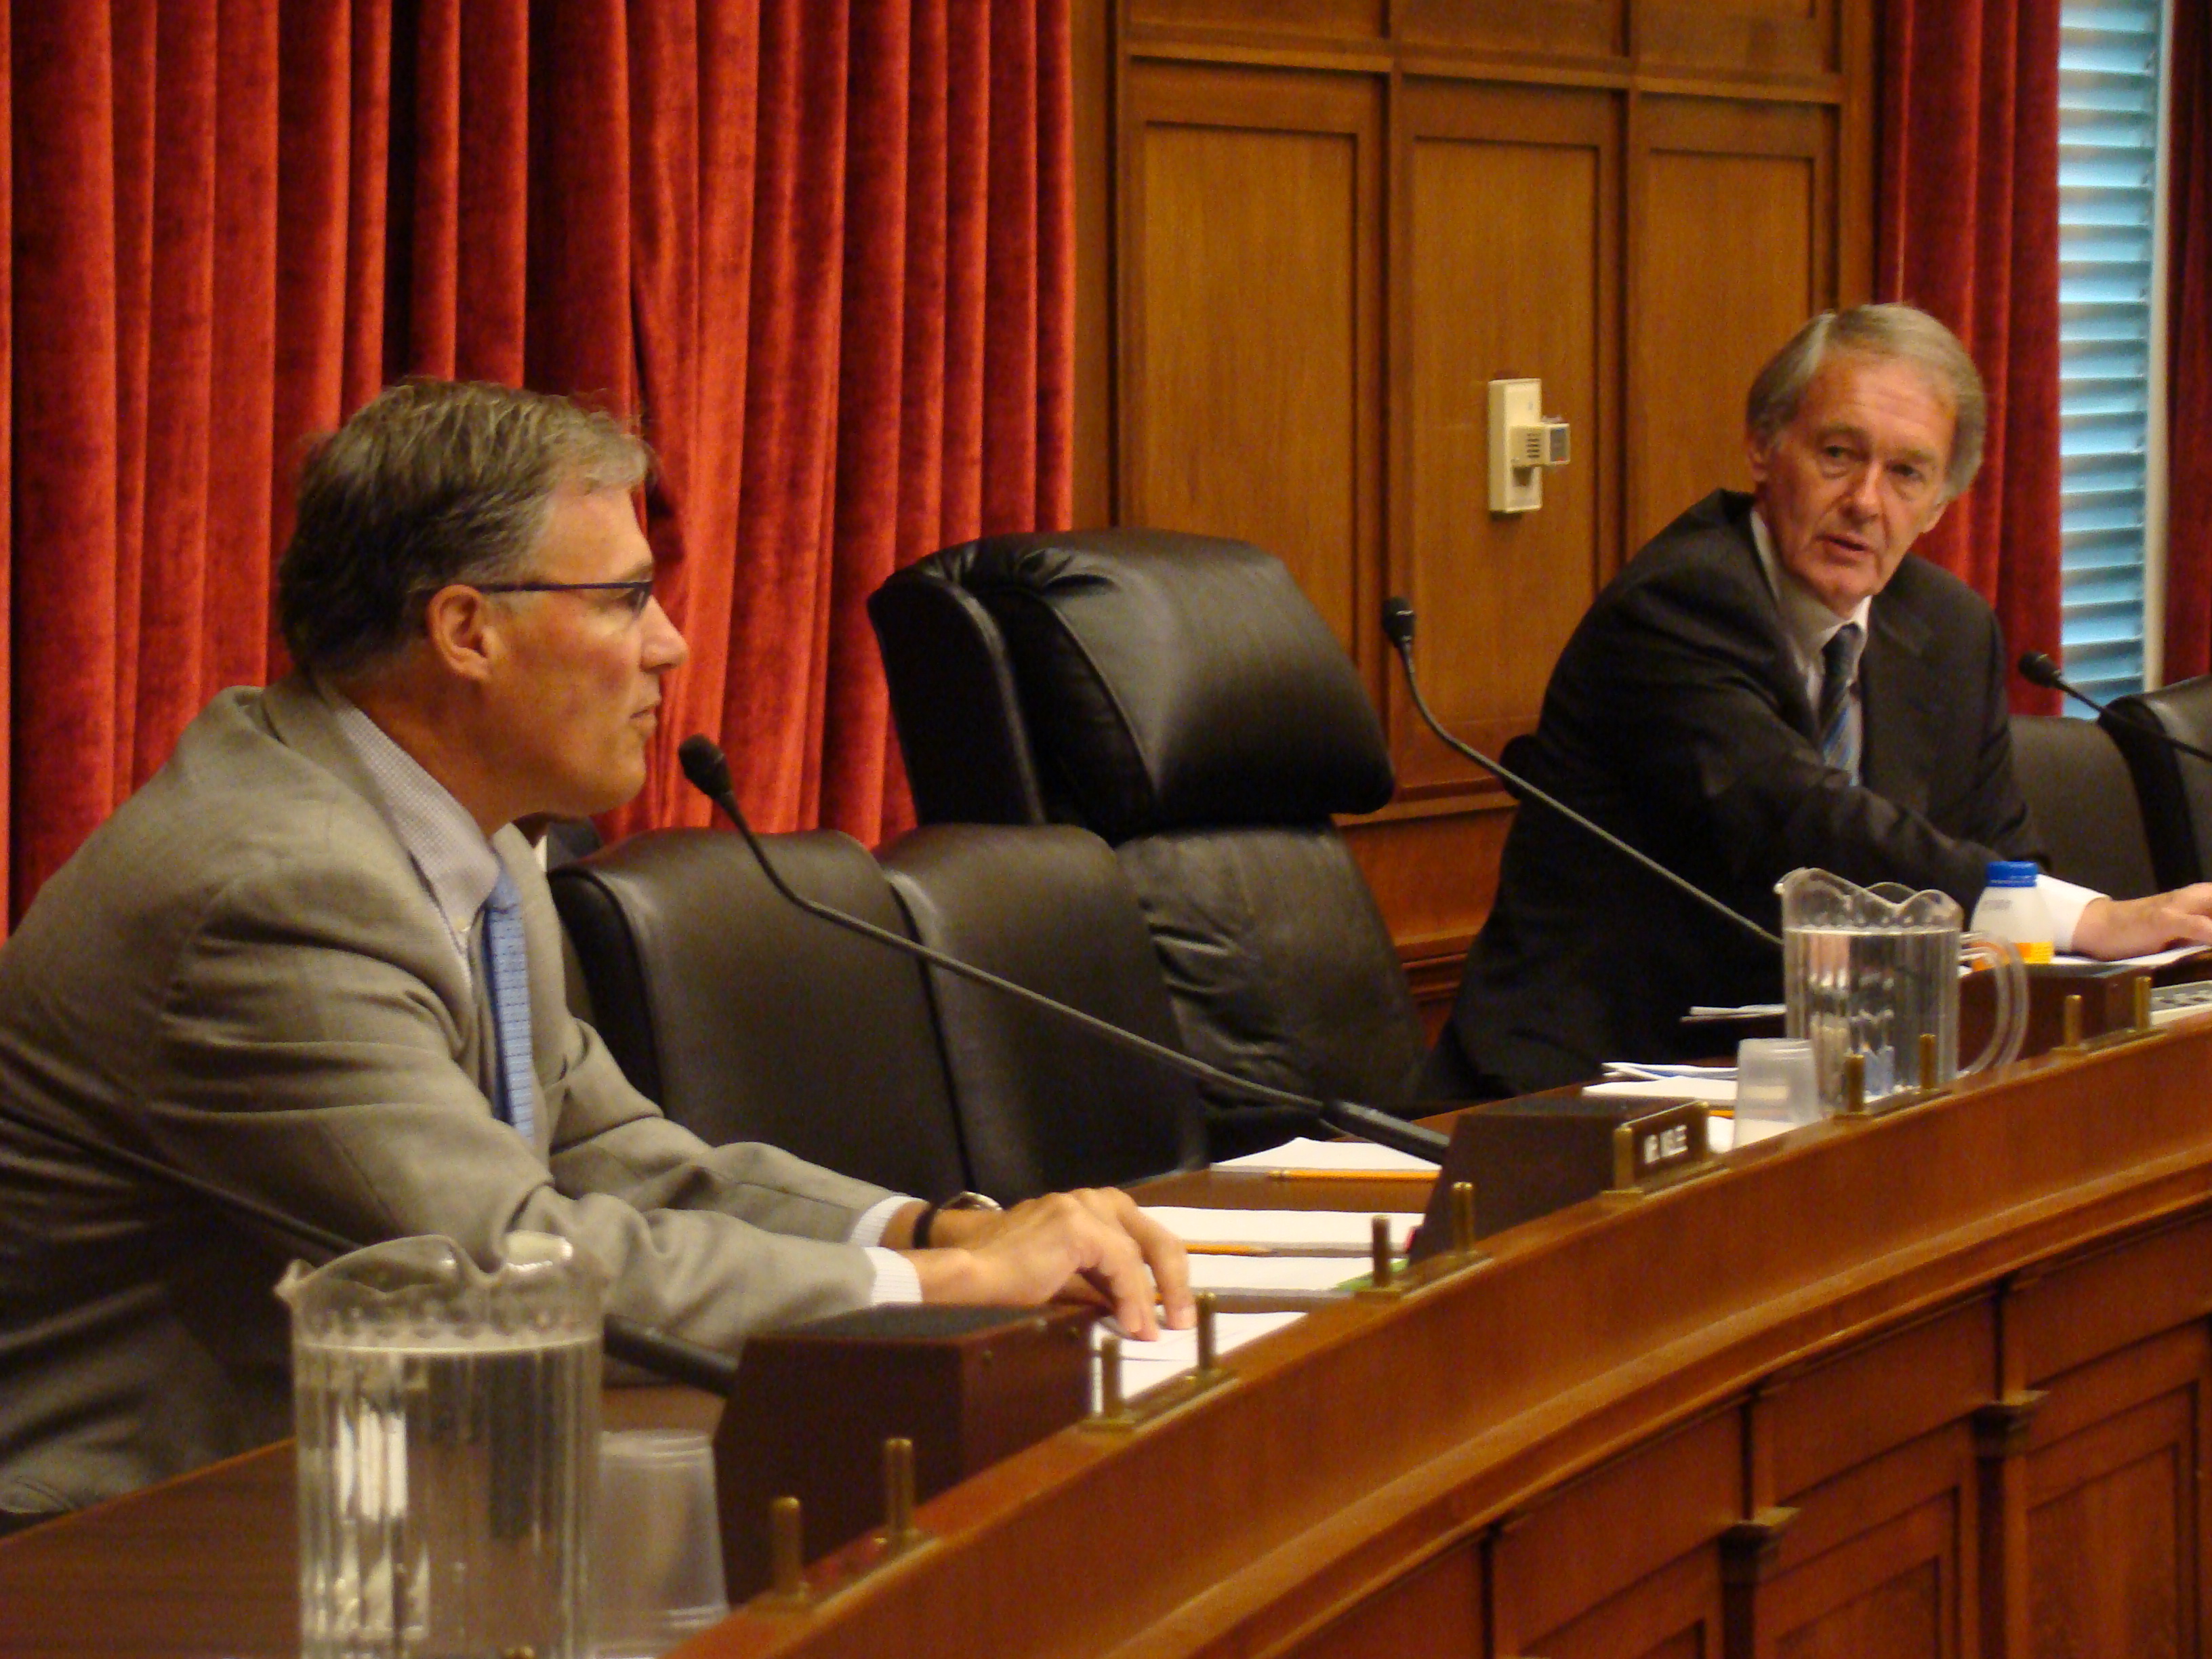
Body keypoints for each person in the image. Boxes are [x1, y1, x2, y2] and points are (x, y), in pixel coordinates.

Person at [0, 381, 1191, 1522]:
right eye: (625, 599)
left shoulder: (472, 839)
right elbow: (509, 1266)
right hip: (114, 1546)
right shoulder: (276, 892)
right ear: (466, 629)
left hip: (362, 1490)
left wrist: (934, 1233)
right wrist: (947, 1293)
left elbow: (608, 1154)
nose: (670, 645)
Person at [1431, 304, 2212, 1100]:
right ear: (1763, 447)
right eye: (1839, 454)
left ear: (1939, 506)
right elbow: (1800, 820)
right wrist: (2089, 920)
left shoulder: (1949, 629)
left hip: (1824, 1079)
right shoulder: (1680, 601)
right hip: (1588, 1088)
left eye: (1907, 474)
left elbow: (2004, 856)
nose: (1867, 501)